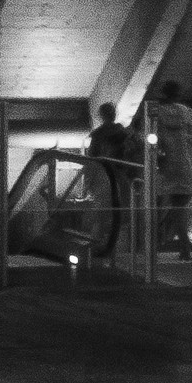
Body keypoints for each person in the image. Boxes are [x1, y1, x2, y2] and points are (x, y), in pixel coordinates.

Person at [151, 80, 192, 260]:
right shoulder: (188, 113)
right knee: (180, 207)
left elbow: (153, 140)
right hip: (187, 166)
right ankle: (182, 245)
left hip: (167, 166)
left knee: (161, 206)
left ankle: (160, 244)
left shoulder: (157, 113)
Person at [82, 106, 134, 264]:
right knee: (118, 218)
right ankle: (113, 254)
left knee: (102, 216)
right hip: (119, 177)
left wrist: (88, 183)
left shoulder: (98, 135)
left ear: (101, 115)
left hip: (104, 177)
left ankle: (97, 252)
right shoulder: (124, 134)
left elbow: (91, 158)